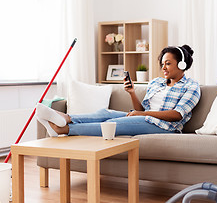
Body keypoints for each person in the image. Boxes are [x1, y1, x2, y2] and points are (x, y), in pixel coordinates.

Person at [36, 45, 201, 137]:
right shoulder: (157, 83)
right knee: (104, 113)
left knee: (111, 125)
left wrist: (143, 115)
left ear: (182, 65)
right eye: (162, 63)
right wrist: (132, 93)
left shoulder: (191, 87)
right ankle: (65, 118)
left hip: (165, 126)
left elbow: (177, 115)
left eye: (168, 63)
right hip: (146, 119)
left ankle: (63, 129)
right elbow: (140, 110)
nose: (163, 67)